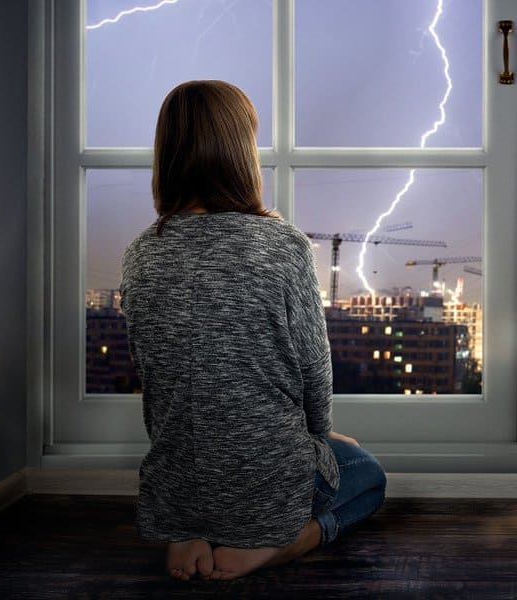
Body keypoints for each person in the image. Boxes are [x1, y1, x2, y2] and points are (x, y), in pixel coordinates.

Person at [119, 80, 387, 582]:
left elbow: (154, 378)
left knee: (206, 472)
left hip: (176, 484)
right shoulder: (282, 245)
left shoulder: (140, 253)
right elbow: (314, 369)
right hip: (266, 484)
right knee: (368, 476)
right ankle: (284, 543)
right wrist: (319, 436)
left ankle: (189, 530)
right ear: (241, 153)